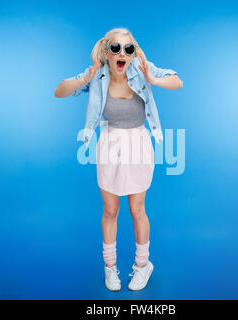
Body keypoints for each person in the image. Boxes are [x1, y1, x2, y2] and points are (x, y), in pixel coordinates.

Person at [54, 27, 183, 291]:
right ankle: (110, 268)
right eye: (116, 48)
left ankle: (143, 265)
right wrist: (82, 79)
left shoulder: (141, 69)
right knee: (111, 210)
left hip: (138, 143)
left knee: (137, 210)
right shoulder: (97, 76)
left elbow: (177, 81)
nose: (122, 53)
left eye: (128, 48)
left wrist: (154, 79)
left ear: (133, 52)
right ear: (106, 52)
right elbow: (60, 91)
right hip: (109, 144)